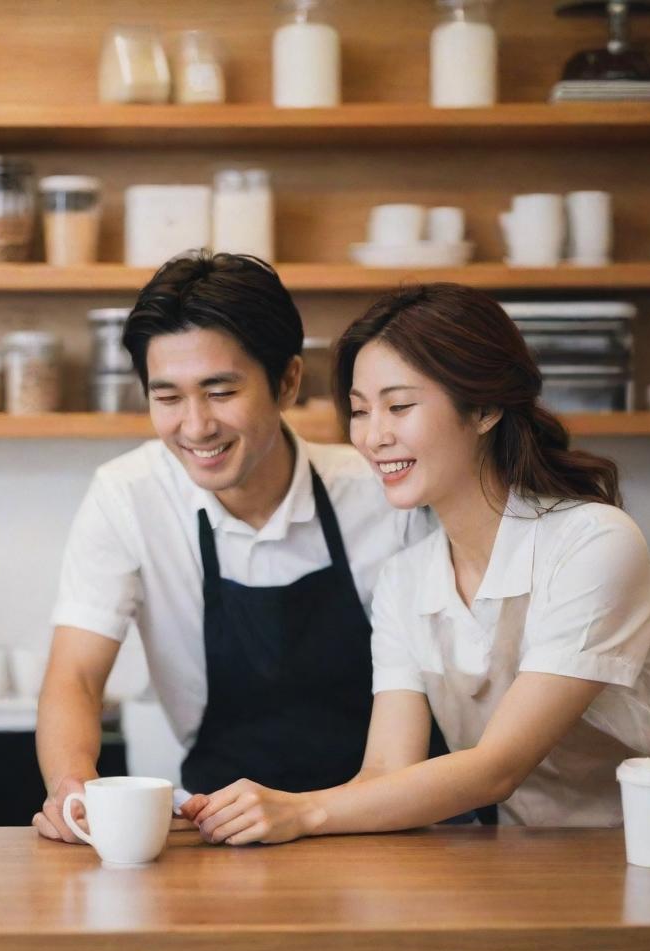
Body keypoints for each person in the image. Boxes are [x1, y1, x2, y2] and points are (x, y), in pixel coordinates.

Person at [188, 282, 650, 845]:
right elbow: (388, 771)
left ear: (484, 406)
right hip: (522, 860)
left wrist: (302, 812)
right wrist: (262, 811)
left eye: (400, 406)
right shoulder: (405, 578)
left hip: (640, 850)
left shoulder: (593, 543)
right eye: (361, 411)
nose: (373, 437)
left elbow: (497, 768)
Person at [32, 253, 434, 843]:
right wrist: (72, 784)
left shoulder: (381, 495)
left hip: (390, 825)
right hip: (220, 833)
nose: (196, 427)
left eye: (220, 391)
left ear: (288, 381)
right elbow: (76, 677)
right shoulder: (128, 497)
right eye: (167, 398)